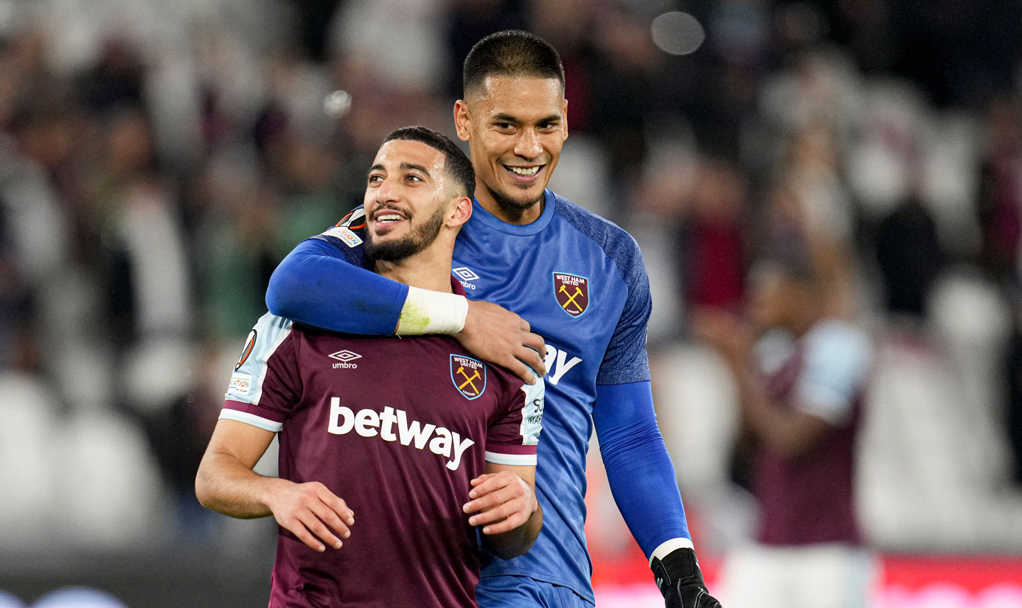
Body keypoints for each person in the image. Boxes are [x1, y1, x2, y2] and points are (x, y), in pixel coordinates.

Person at [264, 30, 719, 608]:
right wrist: (459, 316)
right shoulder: (416, 222)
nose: (529, 148)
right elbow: (294, 284)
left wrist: (676, 567)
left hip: (562, 580)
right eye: (506, 125)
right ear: (464, 120)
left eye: (546, 125)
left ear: (566, 120)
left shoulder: (611, 258)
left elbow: (628, 432)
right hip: (457, 581)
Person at [195, 126, 545, 608]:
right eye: (377, 178)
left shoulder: (506, 355)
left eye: (413, 178)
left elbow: (514, 530)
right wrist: (277, 494)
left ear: (458, 211)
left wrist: (523, 511)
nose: (385, 192)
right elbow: (214, 475)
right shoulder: (299, 327)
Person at [694, 257, 876, 608]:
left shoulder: (839, 347)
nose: (755, 307)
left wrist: (738, 365)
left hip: (826, 551)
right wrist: (737, 370)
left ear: (800, 297)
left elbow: (792, 441)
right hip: (768, 542)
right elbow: (748, 443)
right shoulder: (775, 352)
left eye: (767, 296)